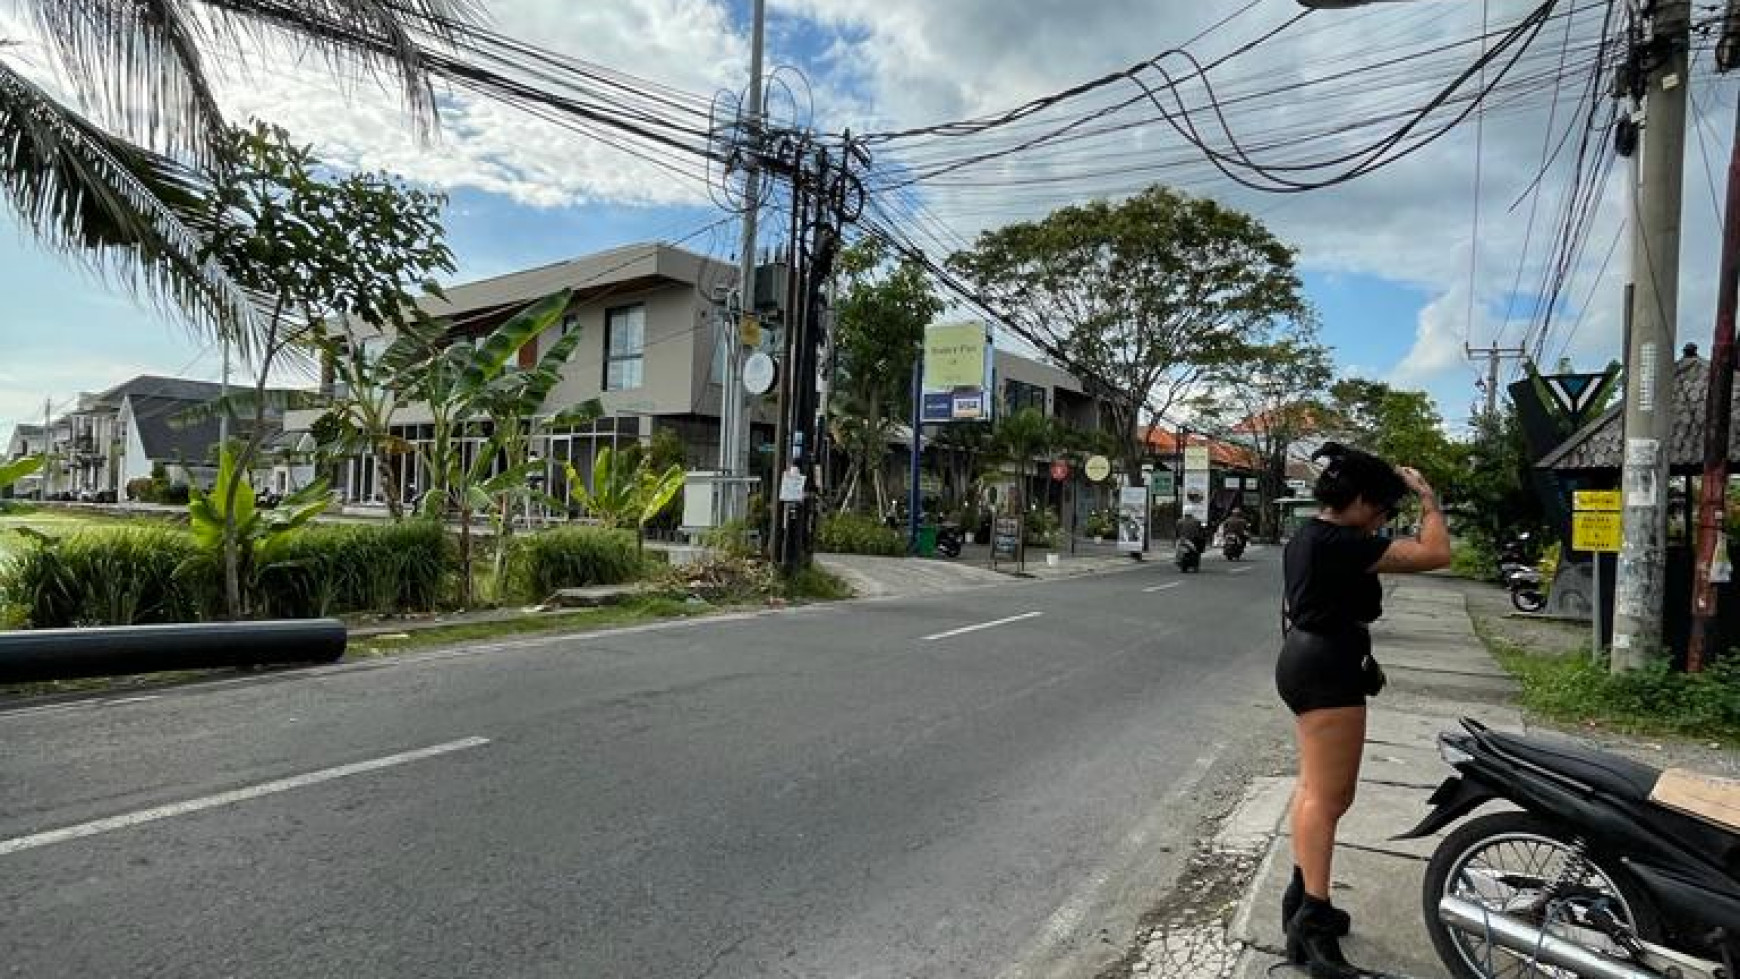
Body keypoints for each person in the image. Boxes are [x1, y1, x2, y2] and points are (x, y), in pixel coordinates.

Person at [1277, 443, 1449, 977]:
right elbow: (1436, 553)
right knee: (1329, 799)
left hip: (1308, 658)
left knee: (1315, 791)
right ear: (1355, 500)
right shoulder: (1342, 542)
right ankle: (1314, 919)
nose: (1381, 518)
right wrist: (1427, 499)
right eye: (1378, 507)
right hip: (1326, 667)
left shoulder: (1310, 534)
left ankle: (1302, 895)